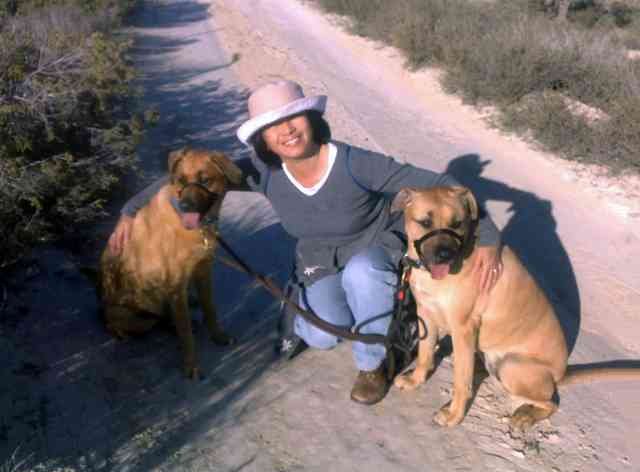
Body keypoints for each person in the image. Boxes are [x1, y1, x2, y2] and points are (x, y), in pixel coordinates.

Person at [108, 80, 503, 405]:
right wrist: (129, 210)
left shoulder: (352, 162)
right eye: (273, 125)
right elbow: (186, 180)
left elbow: (444, 185)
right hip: (319, 259)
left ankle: (372, 365)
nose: (288, 130)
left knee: (364, 275)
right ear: (263, 137)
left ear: (312, 119)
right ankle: (303, 300)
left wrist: (487, 236)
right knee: (322, 334)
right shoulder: (263, 172)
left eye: (295, 117)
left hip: (371, 244)